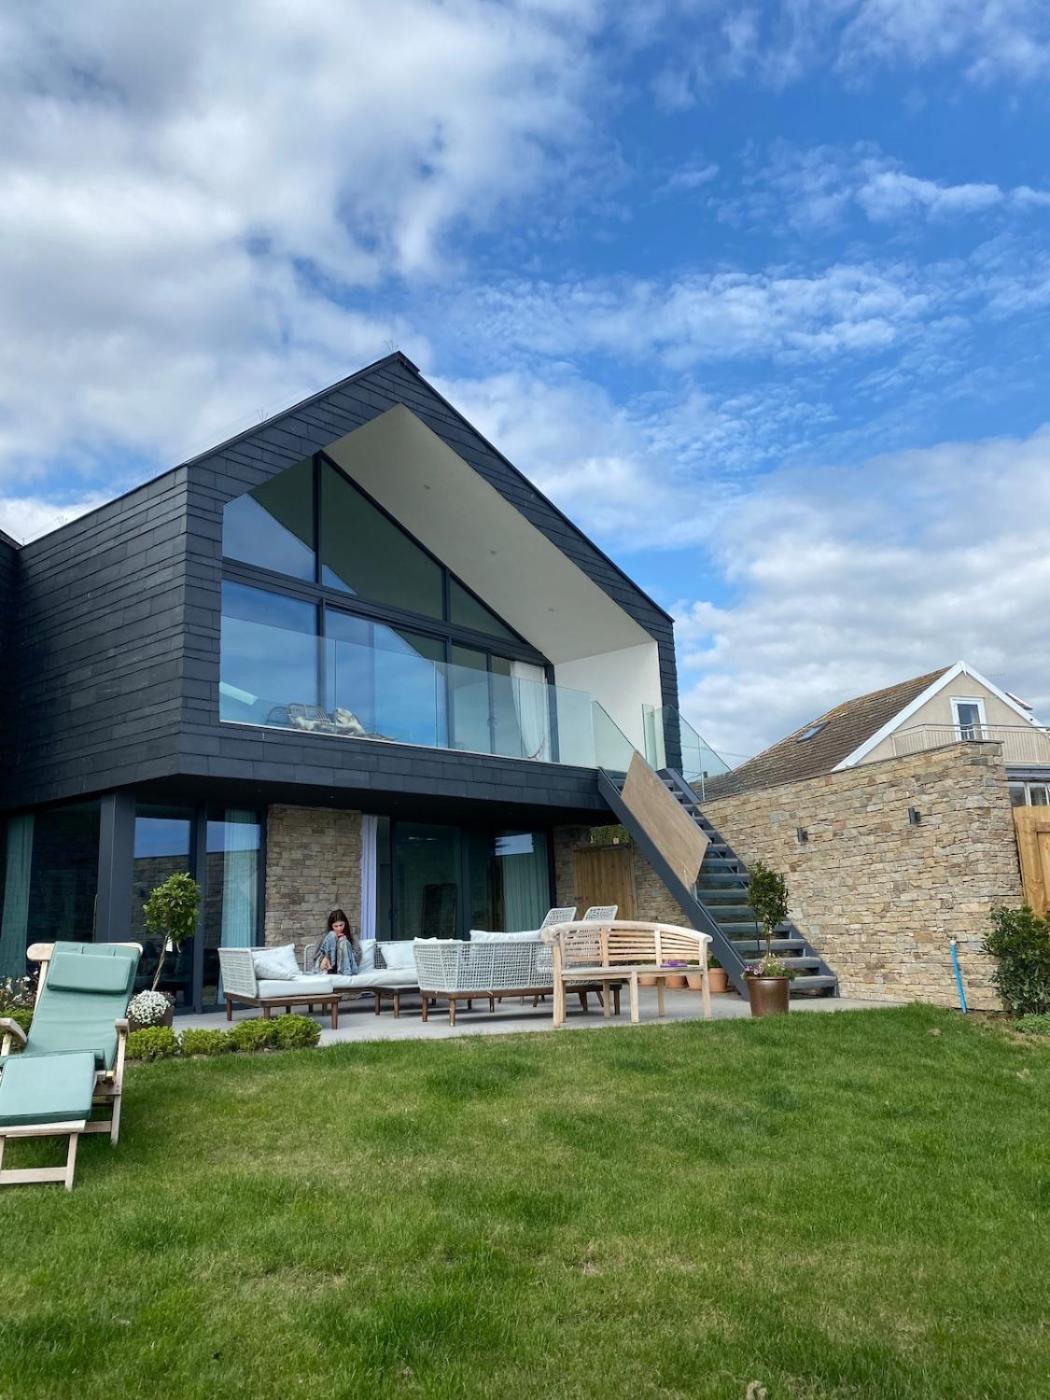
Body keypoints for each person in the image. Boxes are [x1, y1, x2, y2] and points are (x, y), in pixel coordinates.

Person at [313, 909, 361, 976]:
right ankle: (330, 969)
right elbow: (316, 957)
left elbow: (358, 958)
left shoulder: (352, 936)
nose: (339, 929)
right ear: (331, 926)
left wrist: (344, 946)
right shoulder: (325, 936)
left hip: (347, 967)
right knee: (332, 935)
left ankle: (343, 973)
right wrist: (326, 956)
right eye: (336, 926)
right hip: (326, 966)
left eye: (341, 925)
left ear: (345, 924)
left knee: (343, 942)